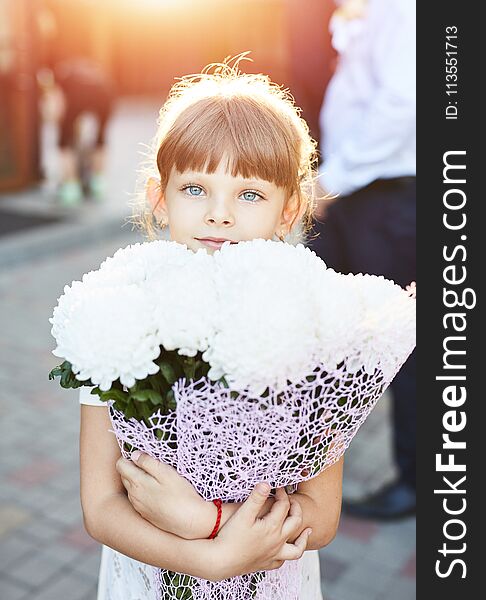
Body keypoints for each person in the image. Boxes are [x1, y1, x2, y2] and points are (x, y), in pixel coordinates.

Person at [79, 60, 343, 599]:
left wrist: (210, 523)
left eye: (249, 195)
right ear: (160, 196)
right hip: (148, 582)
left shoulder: (313, 326)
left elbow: (324, 513)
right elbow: (101, 507)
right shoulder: (118, 316)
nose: (220, 214)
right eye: (195, 188)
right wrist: (211, 558)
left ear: (289, 208)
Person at [310, 0, 416, 519]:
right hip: (356, 192)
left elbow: (404, 102)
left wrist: (331, 180)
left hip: (389, 194)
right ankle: (299, 458)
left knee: (405, 344)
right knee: (324, 323)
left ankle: (417, 482)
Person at [52, 56, 114, 205]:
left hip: (78, 96)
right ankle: (98, 184)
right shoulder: (91, 70)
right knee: (100, 138)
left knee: (63, 142)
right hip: (105, 93)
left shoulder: (61, 75)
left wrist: (61, 127)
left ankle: (71, 188)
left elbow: (57, 106)